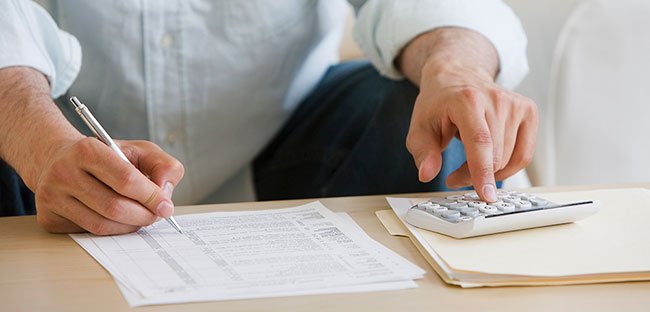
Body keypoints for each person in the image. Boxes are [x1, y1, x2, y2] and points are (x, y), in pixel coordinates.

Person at [0, 0, 537, 235]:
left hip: (285, 148)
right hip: (44, 154)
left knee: (421, 107)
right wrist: (36, 140)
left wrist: (456, 68)